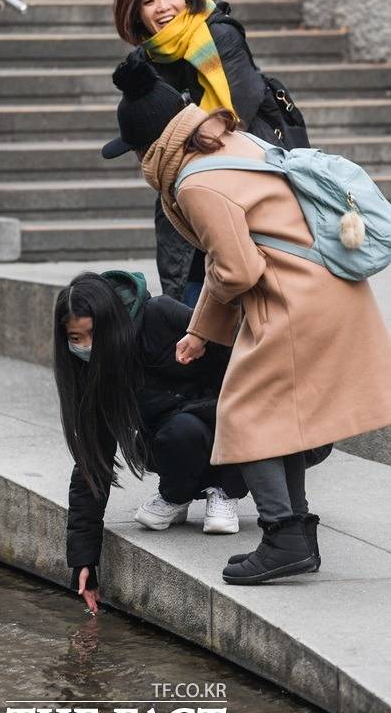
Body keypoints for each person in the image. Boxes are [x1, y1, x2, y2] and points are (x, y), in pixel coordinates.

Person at [101, 64, 391, 586]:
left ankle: (283, 534)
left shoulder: (195, 183)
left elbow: (237, 269)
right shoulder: (233, 144)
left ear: (153, 146)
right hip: (323, 290)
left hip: (293, 302)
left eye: (137, 151)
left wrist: (201, 327)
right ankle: (299, 536)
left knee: (244, 416)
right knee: (283, 419)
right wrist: (200, 332)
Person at [54, 270, 250, 613]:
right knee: (176, 434)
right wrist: (83, 560)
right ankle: (177, 494)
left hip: (227, 422)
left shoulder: (161, 316)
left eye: (92, 335)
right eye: (75, 337)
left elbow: (236, 369)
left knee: (185, 428)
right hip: (166, 441)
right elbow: (93, 462)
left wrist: (189, 409)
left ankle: (224, 489)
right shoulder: (94, 369)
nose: (85, 346)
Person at [108, 0, 309, 304]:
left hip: (246, 177)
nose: (163, 7)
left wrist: (177, 140)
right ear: (134, 12)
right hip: (183, 189)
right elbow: (154, 144)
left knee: (255, 297)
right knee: (187, 298)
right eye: (149, 1)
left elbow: (234, 116)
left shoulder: (221, 35)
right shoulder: (143, 64)